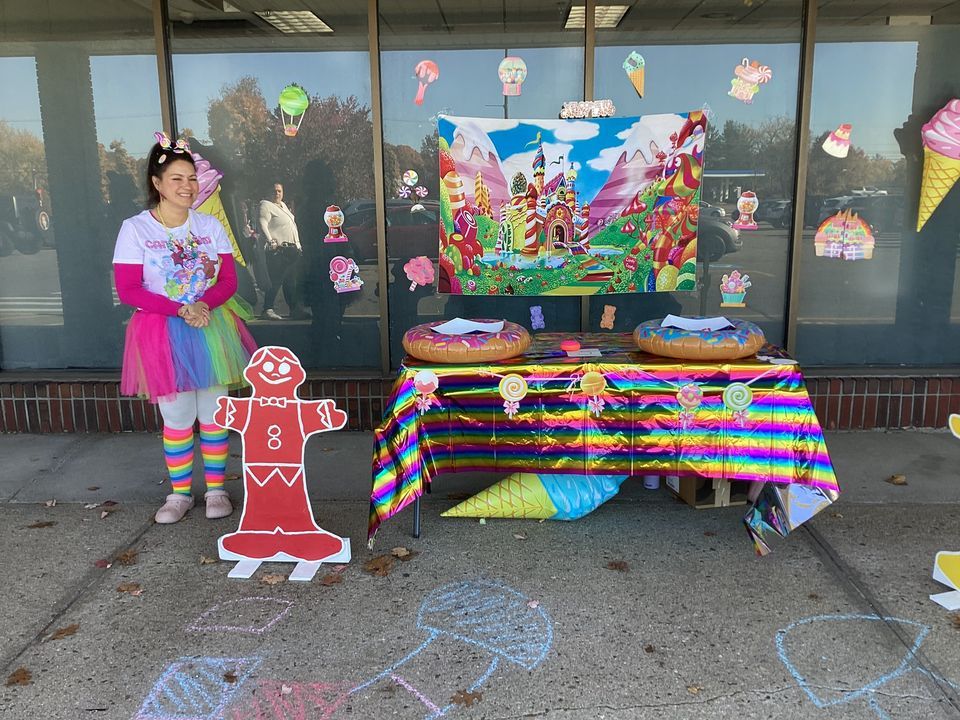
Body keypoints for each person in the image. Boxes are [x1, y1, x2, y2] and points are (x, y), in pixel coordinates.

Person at [112, 133, 257, 524]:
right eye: (176, 178)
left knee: (213, 413)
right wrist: (181, 310)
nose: (187, 186)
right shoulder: (136, 230)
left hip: (210, 327)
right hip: (162, 331)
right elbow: (128, 290)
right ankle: (179, 494)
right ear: (156, 184)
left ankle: (216, 490)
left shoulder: (209, 226)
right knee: (177, 416)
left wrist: (202, 306)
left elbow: (228, 282)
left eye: (191, 178)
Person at [259, 182, 307, 320]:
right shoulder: (265, 205)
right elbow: (262, 223)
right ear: (269, 191)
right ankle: (267, 309)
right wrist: (270, 241)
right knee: (276, 279)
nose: (277, 193)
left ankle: (294, 309)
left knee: (290, 280)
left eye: (279, 191)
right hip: (278, 250)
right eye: (274, 191)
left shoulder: (283, 206)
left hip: (291, 250)